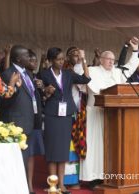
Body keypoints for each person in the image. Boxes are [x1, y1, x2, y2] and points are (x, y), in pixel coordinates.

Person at [79, 37, 139, 191]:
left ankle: (109, 176)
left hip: (113, 115)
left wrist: (135, 50)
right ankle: (93, 178)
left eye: (113, 60)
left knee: (110, 146)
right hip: (95, 113)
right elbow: (78, 74)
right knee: (95, 146)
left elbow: (132, 66)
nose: (112, 62)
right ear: (101, 60)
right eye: (108, 59)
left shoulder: (118, 72)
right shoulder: (92, 70)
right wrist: (82, 60)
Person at [41, 47, 91, 194]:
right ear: (51, 60)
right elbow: (40, 94)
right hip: (51, 114)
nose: (61, 61)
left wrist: (84, 61)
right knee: (51, 150)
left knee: (62, 150)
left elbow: (86, 79)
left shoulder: (69, 73)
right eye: (58, 59)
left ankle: (61, 185)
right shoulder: (44, 74)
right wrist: (46, 92)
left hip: (66, 114)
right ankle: (52, 185)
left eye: (63, 59)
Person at [0, 45, 42, 183]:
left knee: (23, 159)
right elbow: (4, 101)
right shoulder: (8, 74)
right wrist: (15, 89)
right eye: (27, 56)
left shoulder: (26, 73)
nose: (30, 58)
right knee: (15, 161)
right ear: (18, 58)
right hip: (16, 124)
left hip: (28, 121)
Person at [62, 47, 88, 187]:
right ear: (67, 57)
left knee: (77, 145)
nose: (78, 58)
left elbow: (85, 86)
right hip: (66, 111)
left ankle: (74, 180)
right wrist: (80, 66)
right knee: (67, 147)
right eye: (75, 55)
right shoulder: (65, 70)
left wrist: (82, 64)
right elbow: (82, 82)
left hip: (79, 111)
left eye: (80, 55)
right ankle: (65, 180)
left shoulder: (80, 69)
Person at [24, 49, 45, 194]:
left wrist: (43, 89)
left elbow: (42, 99)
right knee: (24, 153)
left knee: (31, 154)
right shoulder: (20, 77)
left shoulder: (37, 77)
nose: (35, 62)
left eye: (36, 60)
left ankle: (30, 186)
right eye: (31, 60)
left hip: (35, 120)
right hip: (23, 120)